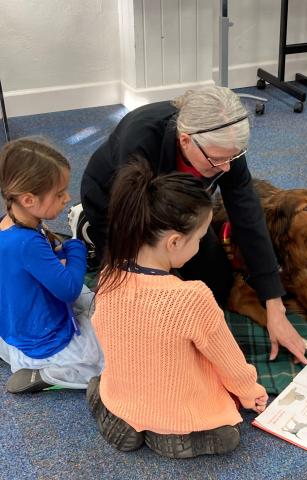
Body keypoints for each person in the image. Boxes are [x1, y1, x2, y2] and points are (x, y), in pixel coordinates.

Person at [76, 85, 307, 365]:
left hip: (186, 209)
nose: (226, 168)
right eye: (218, 160)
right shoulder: (141, 138)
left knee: (218, 284)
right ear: (185, 141)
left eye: (233, 158)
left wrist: (274, 303)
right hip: (116, 205)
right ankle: (89, 230)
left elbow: (247, 215)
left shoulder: (224, 144)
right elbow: (135, 222)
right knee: (143, 304)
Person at [87, 160, 268, 458]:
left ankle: (121, 416)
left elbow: (105, 334)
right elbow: (228, 359)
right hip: (177, 406)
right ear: (173, 242)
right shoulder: (191, 297)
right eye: (199, 238)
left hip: (123, 393)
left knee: (106, 384)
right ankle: (166, 434)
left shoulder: (109, 275)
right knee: (228, 437)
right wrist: (251, 392)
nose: (200, 246)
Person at [0, 139, 103, 393]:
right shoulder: (26, 243)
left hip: (19, 325)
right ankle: (49, 374)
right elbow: (68, 289)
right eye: (59, 194)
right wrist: (77, 246)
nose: (67, 198)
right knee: (114, 357)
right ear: (28, 199)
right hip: (43, 340)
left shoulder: (9, 222)